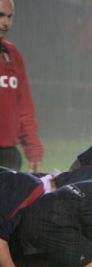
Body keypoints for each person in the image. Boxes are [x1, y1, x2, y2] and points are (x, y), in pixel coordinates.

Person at [0, 0, 43, 172]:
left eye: (10, 17)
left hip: (8, 155)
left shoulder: (12, 54)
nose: (6, 23)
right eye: (1, 15)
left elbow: (24, 108)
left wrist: (33, 150)